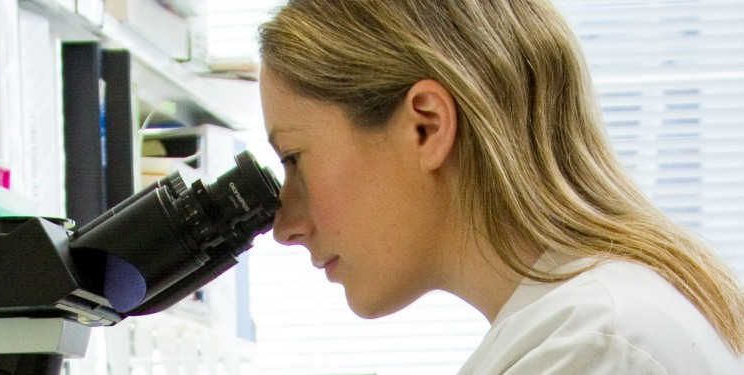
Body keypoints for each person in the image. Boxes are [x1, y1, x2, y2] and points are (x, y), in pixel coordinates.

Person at [256, 0, 744, 373]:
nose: (286, 226)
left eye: (295, 160)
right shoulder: (591, 324)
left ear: (425, 126)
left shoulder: (594, 344)